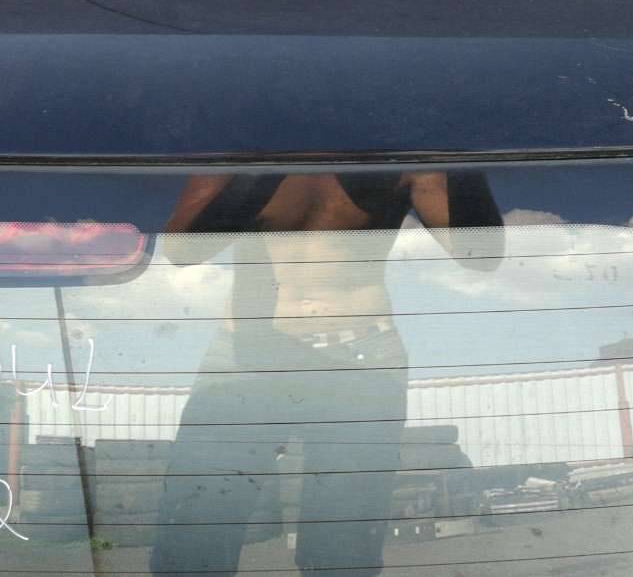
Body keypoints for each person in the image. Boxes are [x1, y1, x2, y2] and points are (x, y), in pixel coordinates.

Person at [150, 170, 501, 576]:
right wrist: (259, 168)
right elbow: (181, 250)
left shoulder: (397, 161)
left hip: (361, 353)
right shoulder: (241, 152)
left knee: (342, 550)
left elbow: (481, 255)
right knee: (193, 535)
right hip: (247, 353)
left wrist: (458, 149)